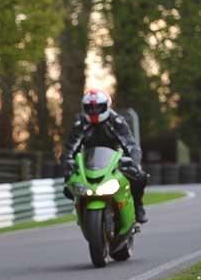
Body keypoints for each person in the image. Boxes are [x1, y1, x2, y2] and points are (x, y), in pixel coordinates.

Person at [62, 89, 149, 223]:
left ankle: (138, 206)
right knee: (68, 187)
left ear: (106, 106)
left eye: (98, 107)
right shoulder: (80, 125)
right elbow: (69, 148)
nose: (94, 111)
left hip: (114, 161)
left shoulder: (116, 121)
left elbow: (131, 144)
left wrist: (133, 161)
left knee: (140, 178)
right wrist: (68, 162)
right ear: (84, 108)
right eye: (90, 108)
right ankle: (82, 213)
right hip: (88, 164)